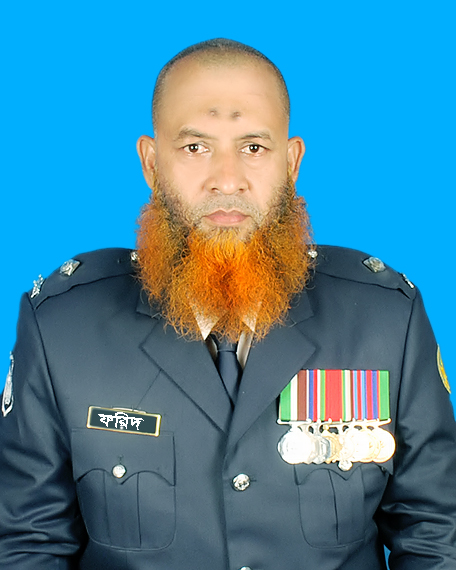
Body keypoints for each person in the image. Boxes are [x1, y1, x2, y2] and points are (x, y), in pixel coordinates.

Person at [0, 38, 455, 570]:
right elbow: (28, 544)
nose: (227, 180)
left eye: (254, 147)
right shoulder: (62, 329)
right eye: (196, 147)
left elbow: (436, 533)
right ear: (151, 163)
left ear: (291, 162)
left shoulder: (386, 320)